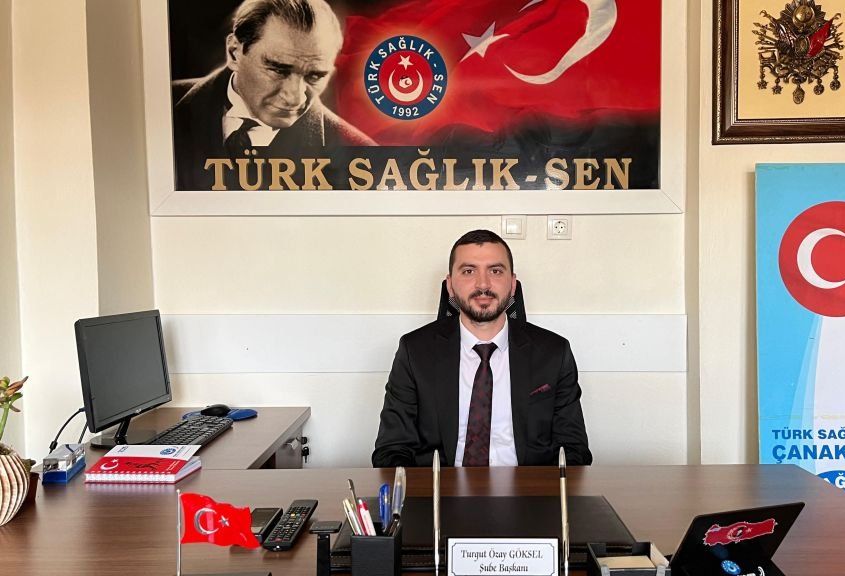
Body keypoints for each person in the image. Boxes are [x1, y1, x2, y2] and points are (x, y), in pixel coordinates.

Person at [372, 230, 592, 467]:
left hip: (527, 486)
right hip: (441, 486)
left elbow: (574, 451)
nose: (483, 284)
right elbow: (391, 451)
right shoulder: (414, 352)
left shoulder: (554, 353)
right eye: (469, 271)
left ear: (512, 284)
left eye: (495, 271)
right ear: (450, 286)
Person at [171, 0, 375, 190]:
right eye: (278, 70)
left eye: (315, 76)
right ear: (234, 52)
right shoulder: (164, 104)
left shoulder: (363, 157)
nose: (295, 98)